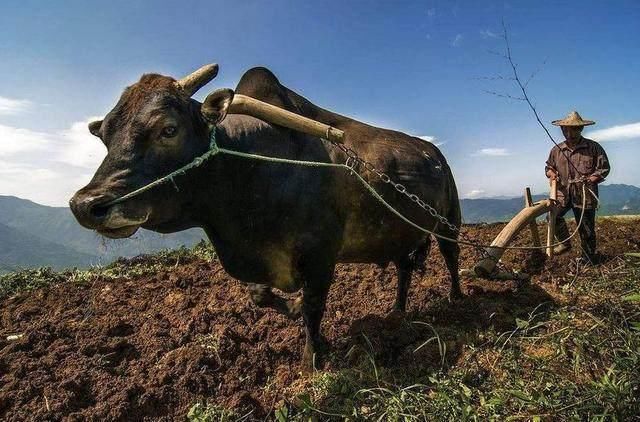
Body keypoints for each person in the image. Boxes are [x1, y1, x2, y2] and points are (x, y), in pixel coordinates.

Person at [545, 111, 610, 264]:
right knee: (553, 217)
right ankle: (565, 243)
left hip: (584, 194)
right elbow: (548, 167)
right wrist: (550, 173)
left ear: (580, 129)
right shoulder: (557, 150)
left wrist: (592, 178)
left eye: (573, 129)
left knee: (585, 228)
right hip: (563, 193)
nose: (568, 132)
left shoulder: (593, 147)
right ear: (561, 129)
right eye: (565, 129)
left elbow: (604, 168)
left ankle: (588, 259)